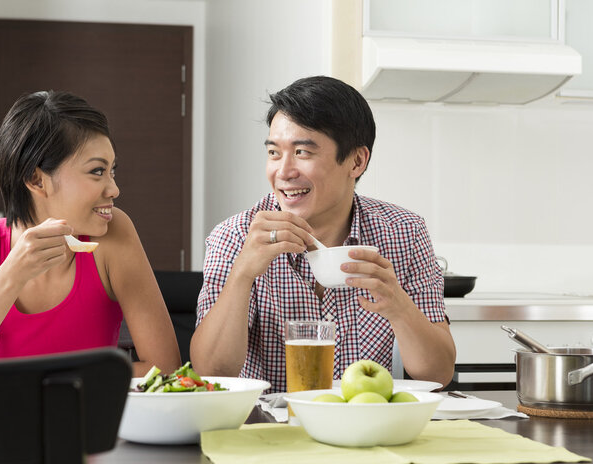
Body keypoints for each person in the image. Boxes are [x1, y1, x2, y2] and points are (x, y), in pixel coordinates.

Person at [190, 76, 455, 392]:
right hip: (267, 432)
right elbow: (211, 372)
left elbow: (438, 374)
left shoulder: (403, 233)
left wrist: (399, 307)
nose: (284, 171)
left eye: (302, 152)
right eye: (274, 152)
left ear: (356, 161)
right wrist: (243, 273)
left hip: (364, 428)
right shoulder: (234, 236)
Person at [0, 90, 181, 375]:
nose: (114, 189)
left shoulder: (113, 232)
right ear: (37, 180)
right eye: (97, 171)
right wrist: (12, 275)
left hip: (88, 419)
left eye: (112, 172)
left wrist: (47, 388)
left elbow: (165, 368)